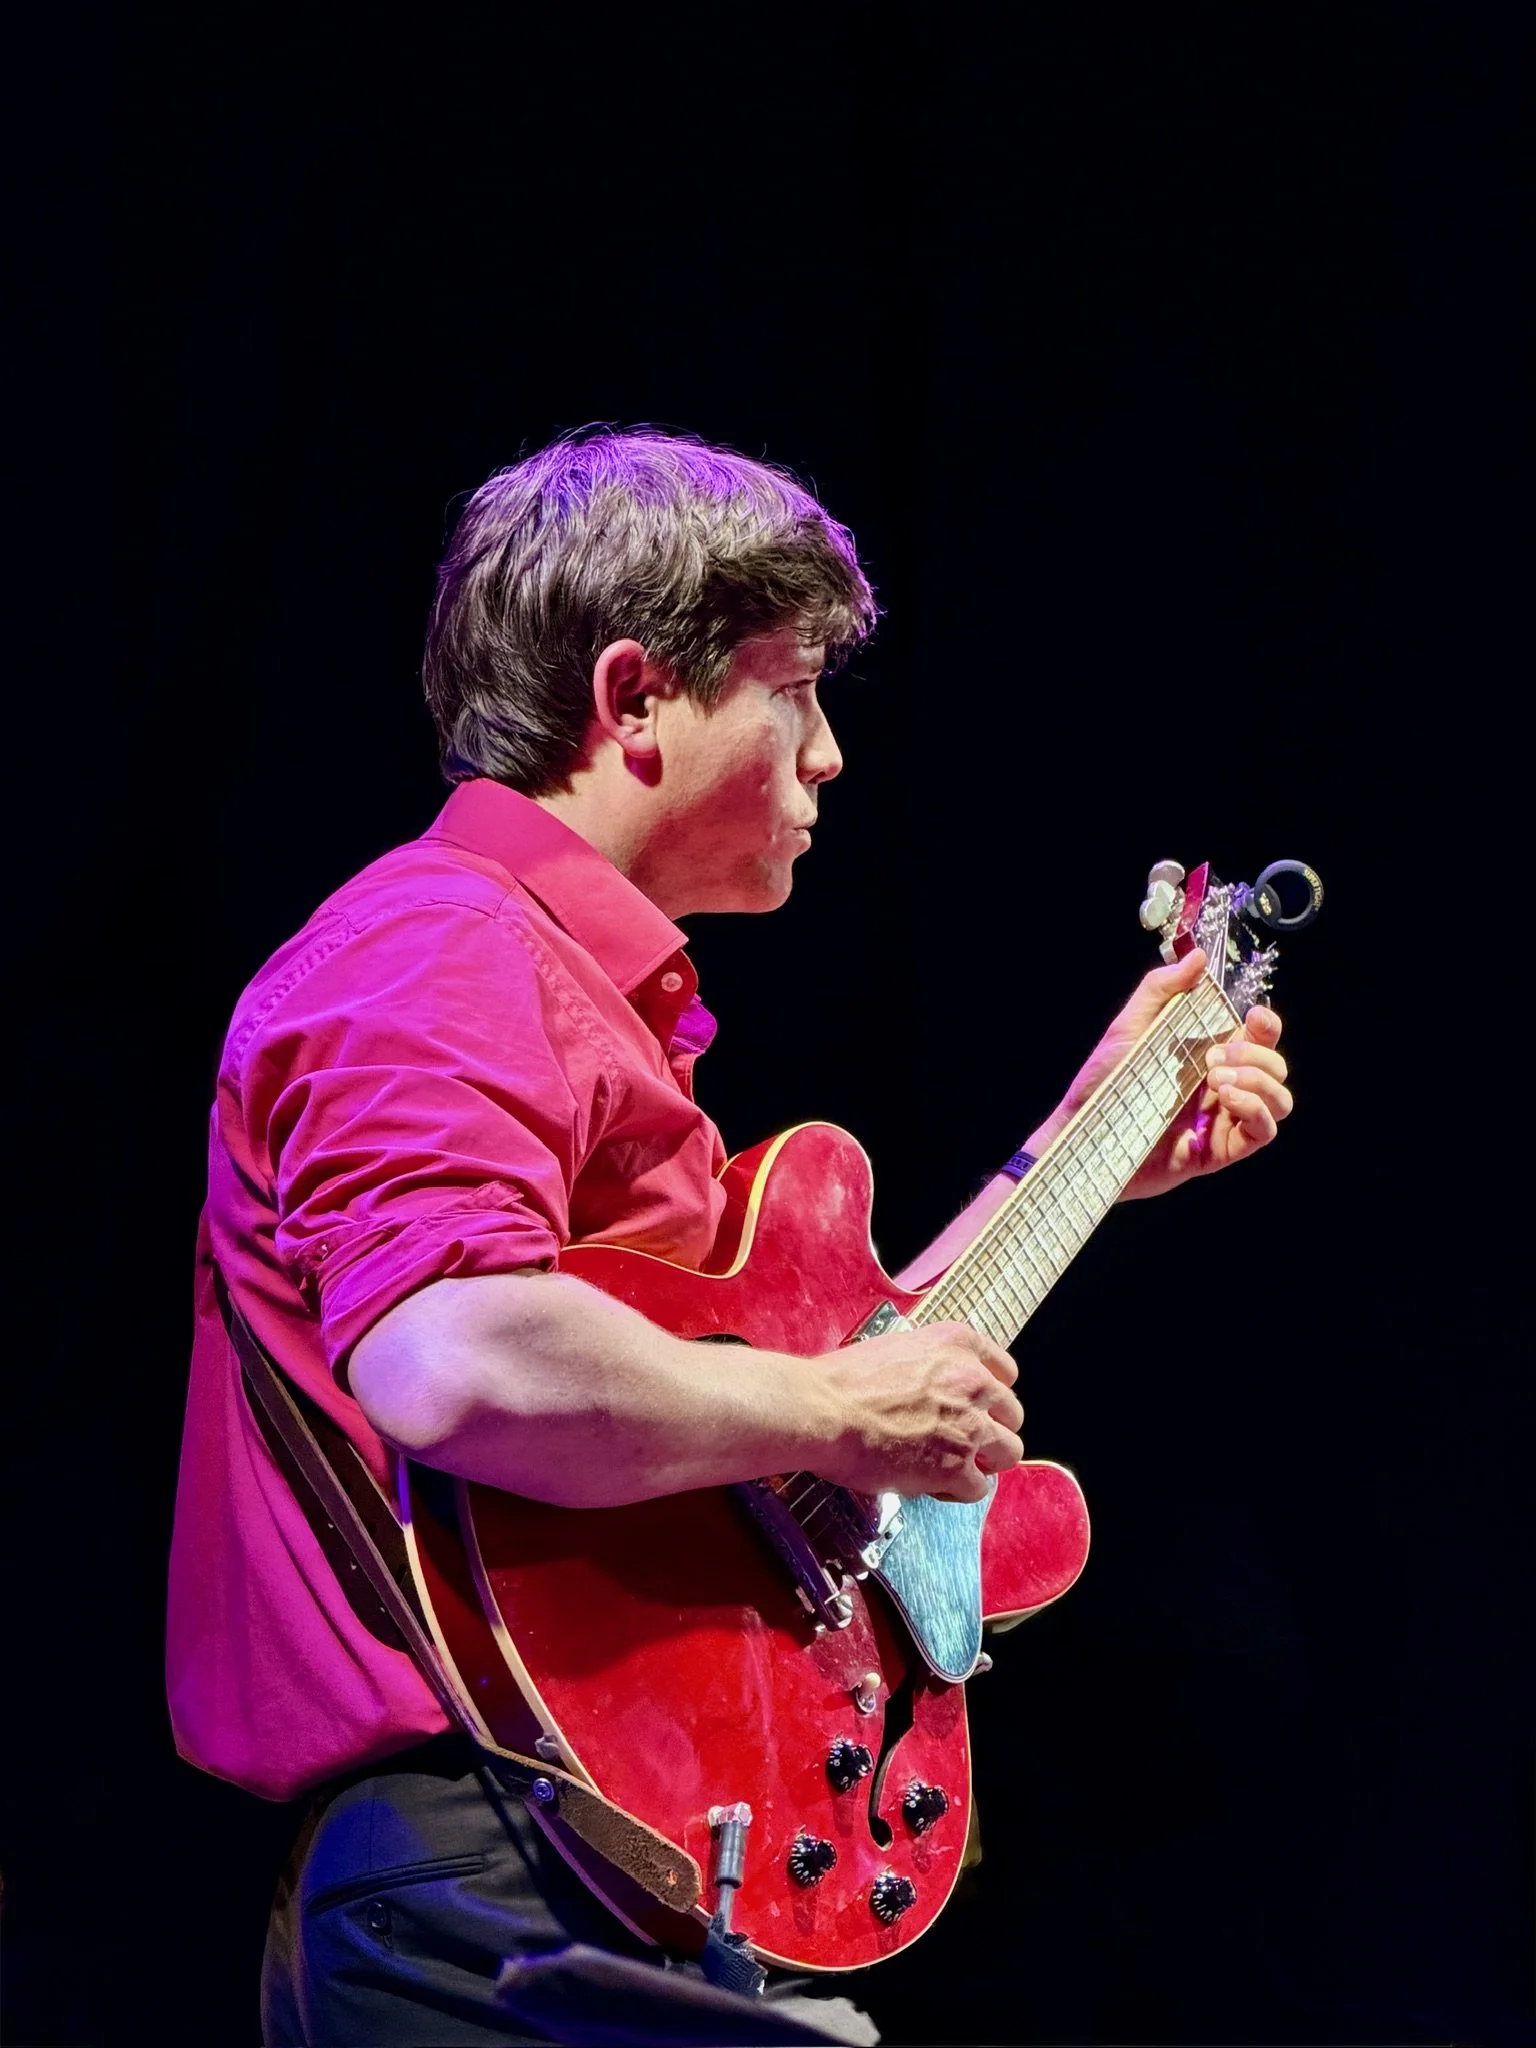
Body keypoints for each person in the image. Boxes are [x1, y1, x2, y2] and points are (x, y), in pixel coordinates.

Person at [167, 430, 1293, 2046]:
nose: (829, 755)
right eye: (797, 692)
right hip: (494, 1877)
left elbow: (823, 1402)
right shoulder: (440, 950)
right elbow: (451, 1356)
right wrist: (835, 1408)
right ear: (634, 699)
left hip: (585, 1866)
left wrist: (1093, 1144)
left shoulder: (559, 988)